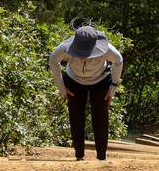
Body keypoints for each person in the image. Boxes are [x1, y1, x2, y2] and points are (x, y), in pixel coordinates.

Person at [49, 25, 123, 160]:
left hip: (101, 80)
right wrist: (62, 88)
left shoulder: (107, 49)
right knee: (76, 116)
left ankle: (101, 157)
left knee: (100, 117)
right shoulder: (64, 48)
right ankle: (79, 156)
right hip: (74, 80)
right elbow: (53, 61)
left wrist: (113, 87)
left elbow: (119, 61)